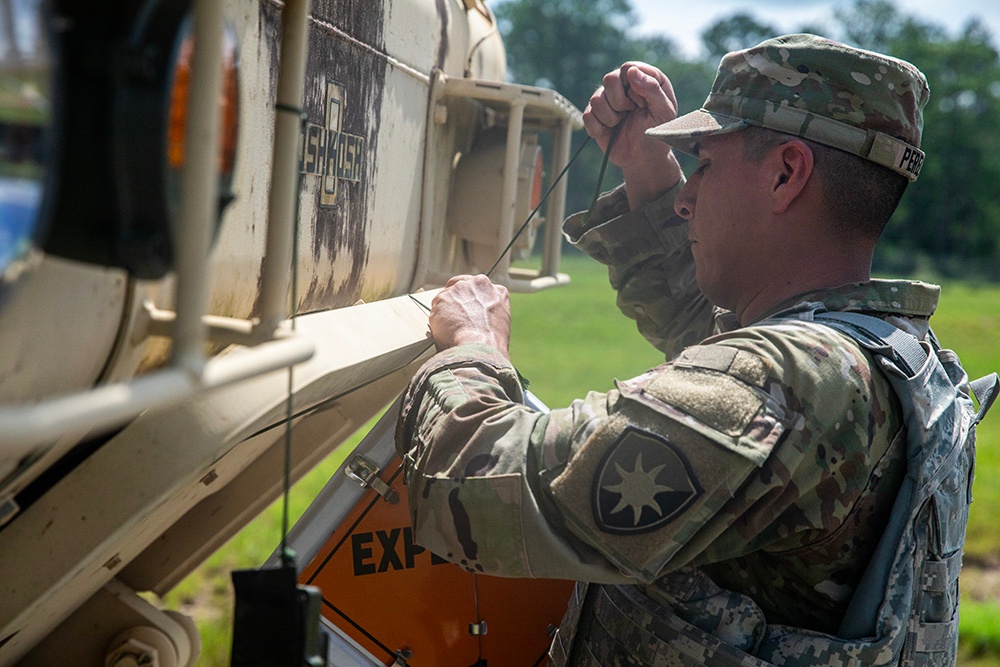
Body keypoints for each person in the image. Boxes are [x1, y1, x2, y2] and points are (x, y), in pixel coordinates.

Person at [395, 34, 984, 665]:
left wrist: (474, 349)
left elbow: (481, 489)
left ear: (786, 174)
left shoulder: (784, 382)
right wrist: (649, 175)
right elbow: (718, 337)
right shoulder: (890, 353)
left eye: (704, 163)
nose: (686, 196)